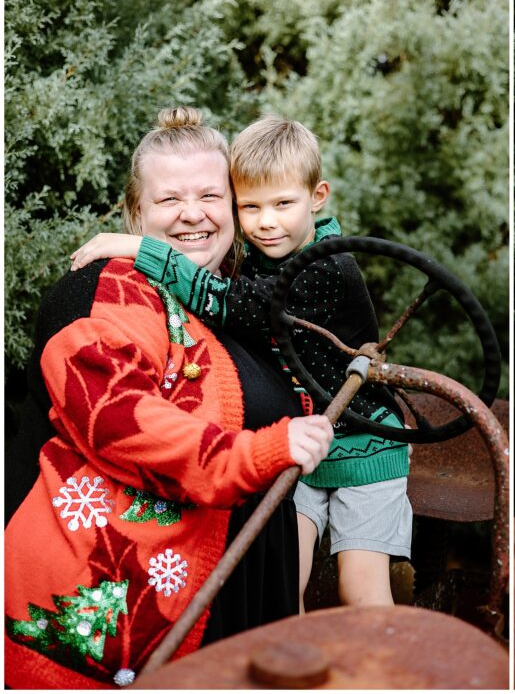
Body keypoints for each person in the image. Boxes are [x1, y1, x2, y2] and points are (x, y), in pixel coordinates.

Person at [4, 107, 334, 688]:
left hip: (237, 588)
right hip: (117, 608)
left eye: (210, 194)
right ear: (136, 214)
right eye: (168, 200)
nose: (192, 215)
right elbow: (118, 419)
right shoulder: (102, 287)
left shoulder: (228, 301)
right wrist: (254, 455)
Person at [70, 116, 412, 611]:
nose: (265, 222)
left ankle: (379, 677)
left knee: (360, 590)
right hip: (304, 441)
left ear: (317, 197)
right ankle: (289, 675)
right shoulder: (258, 258)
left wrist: (141, 249)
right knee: (280, 581)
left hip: (362, 439)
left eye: (282, 205)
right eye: (249, 207)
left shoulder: (324, 267)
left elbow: (233, 304)